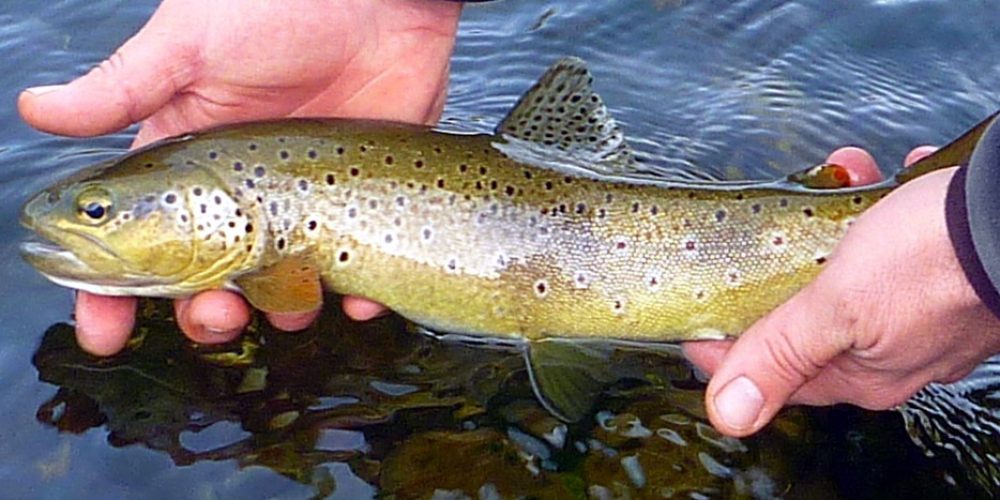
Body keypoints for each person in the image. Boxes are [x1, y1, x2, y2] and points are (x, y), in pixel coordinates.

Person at [19, 0, 1000, 439]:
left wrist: (970, 242)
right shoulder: (253, 216)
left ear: (219, 210)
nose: (84, 221)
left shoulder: (263, 237)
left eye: (102, 209)